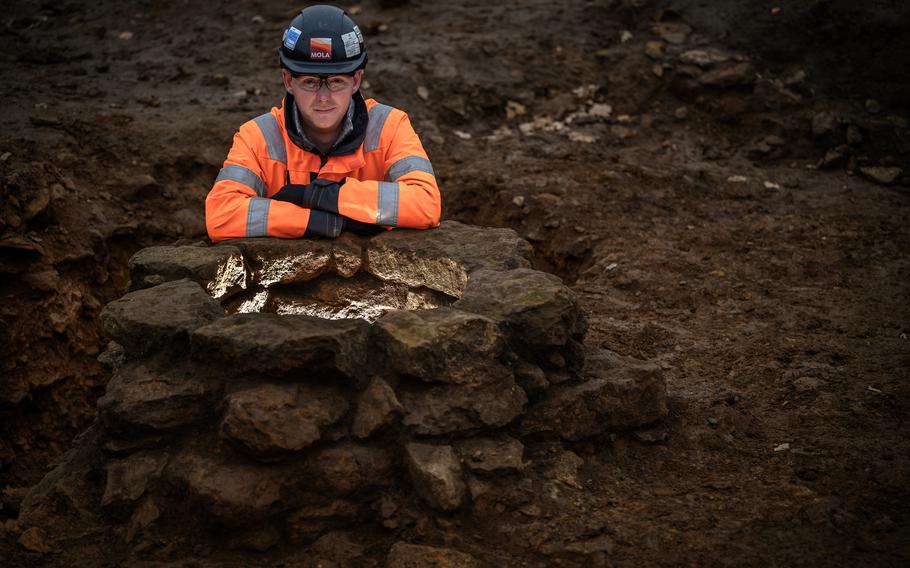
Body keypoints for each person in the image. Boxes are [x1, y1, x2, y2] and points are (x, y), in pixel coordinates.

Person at [205, 4, 440, 242]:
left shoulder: (390, 126)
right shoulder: (257, 137)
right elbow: (221, 216)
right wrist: (318, 221)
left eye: (336, 81)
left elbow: (426, 203)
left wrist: (321, 197)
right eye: (310, 82)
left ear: (356, 80)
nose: (324, 96)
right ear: (288, 81)